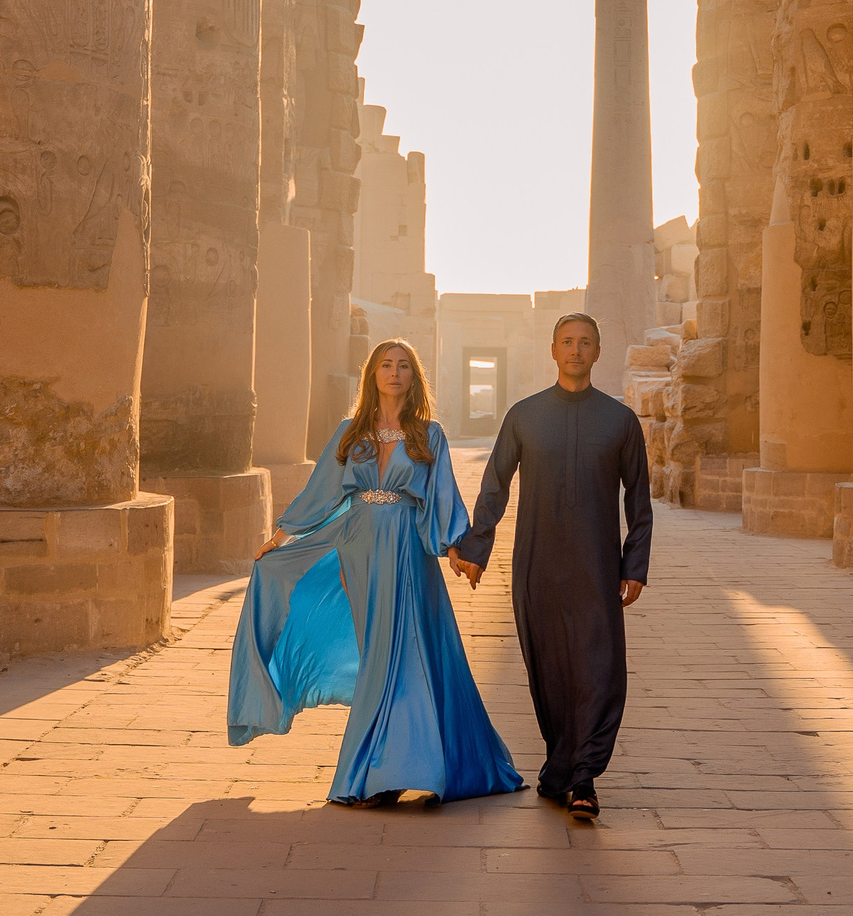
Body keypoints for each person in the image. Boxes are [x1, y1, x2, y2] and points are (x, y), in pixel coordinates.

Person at [226, 339, 525, 807]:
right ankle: (386, 769)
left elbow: (441, 497)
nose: (394, 372)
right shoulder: (351, 433)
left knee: (408, 653)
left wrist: (457, 550)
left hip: (408, 550)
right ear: (372, 375)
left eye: (404, 366)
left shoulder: (430, 435)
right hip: (358, 548)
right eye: (386, 364)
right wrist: (281, 539)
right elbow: (321, 493)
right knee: (378, 658)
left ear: (414, 377)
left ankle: (392, 772)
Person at [446, 313, 650, 821]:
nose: (576, 350)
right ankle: (561, 766)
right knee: (550, 672)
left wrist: (635, 563)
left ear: (597, 352)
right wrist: (475, 549)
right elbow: (494, 485)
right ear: (553, 351)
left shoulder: (620, 421)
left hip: (598, 566)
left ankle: (585, 776)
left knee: (599, 670)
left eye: (585, 342)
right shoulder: (524, 416)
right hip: (536, 564)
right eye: (567, 342)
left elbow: (639, 502)